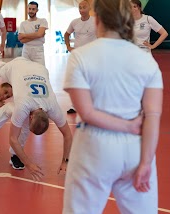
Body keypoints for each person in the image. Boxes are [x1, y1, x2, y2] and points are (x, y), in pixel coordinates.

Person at [63, 0, 163, 213]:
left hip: (94, 146)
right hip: (136, 149)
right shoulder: (147, 61)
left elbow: (87, 112)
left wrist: (126, 126)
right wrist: (145, 163)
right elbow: (153, 117)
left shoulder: (80, 57)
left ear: (97, 19)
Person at [0, 57, 73, 180]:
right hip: (17, 66)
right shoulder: (23, 105)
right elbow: (12, 139)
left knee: (24, 125)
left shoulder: (53, 107)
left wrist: (66, 161)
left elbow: (68, 135)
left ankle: (15, 155)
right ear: (32, 116)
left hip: (40, 69)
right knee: (0, 69)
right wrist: (29, 164)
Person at [64, 0, 96, 114]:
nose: (81, 10)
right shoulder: (74, 22)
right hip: (77, 56)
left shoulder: (95, 21)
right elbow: (66, 34)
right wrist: (68, 46)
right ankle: (75, 105)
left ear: (89, 8)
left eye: (84, 7)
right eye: (80, 7)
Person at [18, 1, 48, 66]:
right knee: (26, 71)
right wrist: (37, 36)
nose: (31, 11)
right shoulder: (23, 23)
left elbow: (40, 34)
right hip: (26, 50)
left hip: (38, 50)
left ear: (37, 10)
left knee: (40, 70)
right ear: (27, 9)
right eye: (30, 9)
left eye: (33, 9)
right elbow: (22, 40)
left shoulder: (42, 21)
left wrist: (25, 35)